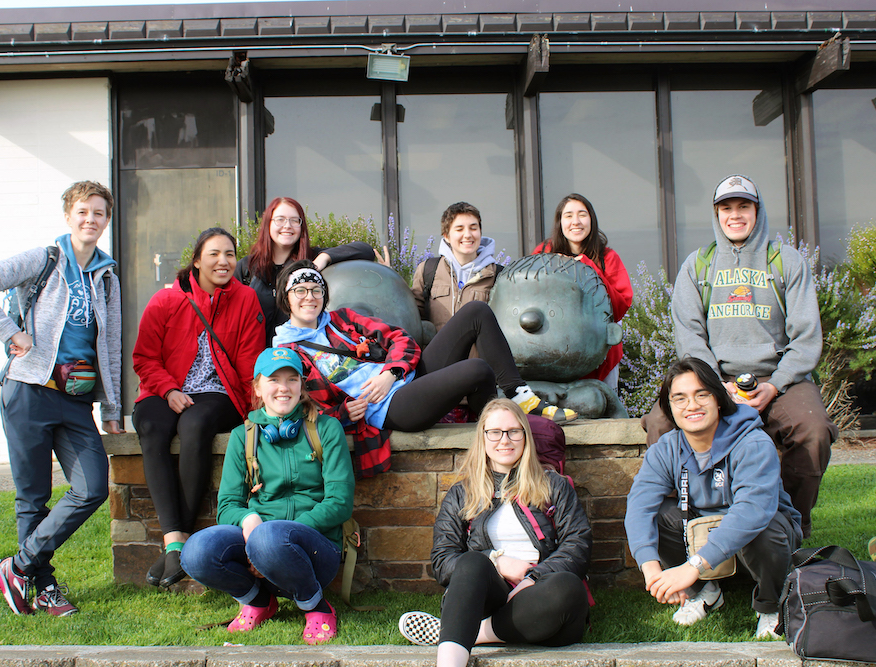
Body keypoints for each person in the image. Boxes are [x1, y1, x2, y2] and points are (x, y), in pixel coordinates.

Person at [0, 180, 123, 616]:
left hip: (74, 400)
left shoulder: (107, 276)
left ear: (107, 220)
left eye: (99, 213)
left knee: (91, 486)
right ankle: (43, 586)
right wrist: (11, 333)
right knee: (32, 498)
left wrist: (111, 409)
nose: (91, 220)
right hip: (28, 391)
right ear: (68, 215)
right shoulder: (44, 259)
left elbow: (111, 346)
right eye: (83, 212)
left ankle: (18, 567)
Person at [641, 174, 837, 538]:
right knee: (660, 424)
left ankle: (792, 524)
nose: (735, 215)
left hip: (779, 378)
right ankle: (677, 529)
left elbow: (807, 336)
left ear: (757, 212)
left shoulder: (786, 261)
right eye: (726, 207)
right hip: (711, 378)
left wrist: (775, 386)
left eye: (743, 206)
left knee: (813, 430)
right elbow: (689, 334)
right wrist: (716, 387)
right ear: (716, 214)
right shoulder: (698, 265)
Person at [272, 260, 577, 476]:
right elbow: (298, 410)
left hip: (402, 379)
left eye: (316, 290)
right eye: (300, 291)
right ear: (287, 298)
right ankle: (493, 432)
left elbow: (400, 338)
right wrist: (342, 415)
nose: (309, 297)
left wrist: (391, 372)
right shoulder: (286, 352)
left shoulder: (341, 319)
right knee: (478, 370)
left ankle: (519, 394)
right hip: (389, 407)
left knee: (476, 312)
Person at [397, 398, 592, 666]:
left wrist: (533, 577)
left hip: (542, 597)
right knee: (473, 561)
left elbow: (578, 546)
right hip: (488, 596)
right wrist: (497, 562)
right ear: (483, 438)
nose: (505, 440)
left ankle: (467, 633)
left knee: (568, 587)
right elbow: (443, 562)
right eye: (495, 432)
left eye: (514, 431)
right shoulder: (461, 495)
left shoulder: (554, 486)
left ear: (525, 436)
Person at [181, 347, 353, 645]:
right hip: (259, 542)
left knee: (271, 538)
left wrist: (279, 540)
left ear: (302, 386)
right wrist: (250, 521)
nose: (283, 388)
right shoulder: (243, 436)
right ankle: (258, 600)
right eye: (273, 379)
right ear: (258, 387)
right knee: (196, 551)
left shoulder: (326, 428)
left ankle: (316, 605)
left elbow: (339, 502)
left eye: (292, 379)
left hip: (316, 551)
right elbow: (227, 507)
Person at [625, 358, 802, 638]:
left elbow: (752, 512)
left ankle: (771, 605)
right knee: (660, 513)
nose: (691, 405)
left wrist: (693, 566)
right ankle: (705, 593)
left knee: (764, 526)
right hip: (702, 535)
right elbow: (639, 506)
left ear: (718, 400)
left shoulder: (753, 442)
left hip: (759, 540)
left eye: (701, 394)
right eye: (679, 398)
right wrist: (650, 569)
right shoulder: (666, 449)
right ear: (670, 407)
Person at [132, 227, 266, 589]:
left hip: (217, 392)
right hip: (164, 388)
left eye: (229, 254)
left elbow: (249, 360)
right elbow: (144, 358)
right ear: (196, 261)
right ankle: (175, 542)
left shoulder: (245, 300)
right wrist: (168, 389)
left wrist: (253, 407)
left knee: (194, 425)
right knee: (151, 427)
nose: (223, 261)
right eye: (214, 254)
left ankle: (178, 544)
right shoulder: (165, 301)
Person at [234, 196, 377, 347]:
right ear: (268, 223)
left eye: (294, 220)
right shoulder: (247, 267)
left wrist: (323, 258)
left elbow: (365, 250)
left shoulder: (311, 259)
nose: (287, 226)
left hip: (304, 358)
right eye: (280, 219)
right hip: (255, 358)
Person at [532, 193, 632, 390]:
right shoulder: (544, 252)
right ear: (560, 222)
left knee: (602, 411)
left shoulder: (607, 257)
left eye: (582, 215)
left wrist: (588, 268)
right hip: (553, 352)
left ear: (591, 220)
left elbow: (619, 307)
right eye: (568, 215)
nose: (575, 222)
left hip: (600, 354)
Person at [412, 202, 502, 333]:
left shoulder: (498, 276)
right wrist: (392, 281)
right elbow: (412, 318)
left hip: (481, 354)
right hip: (439, 353)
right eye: (459, 229)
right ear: (446, 236)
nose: (467, 235)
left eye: (473, 228)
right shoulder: (428, 270)